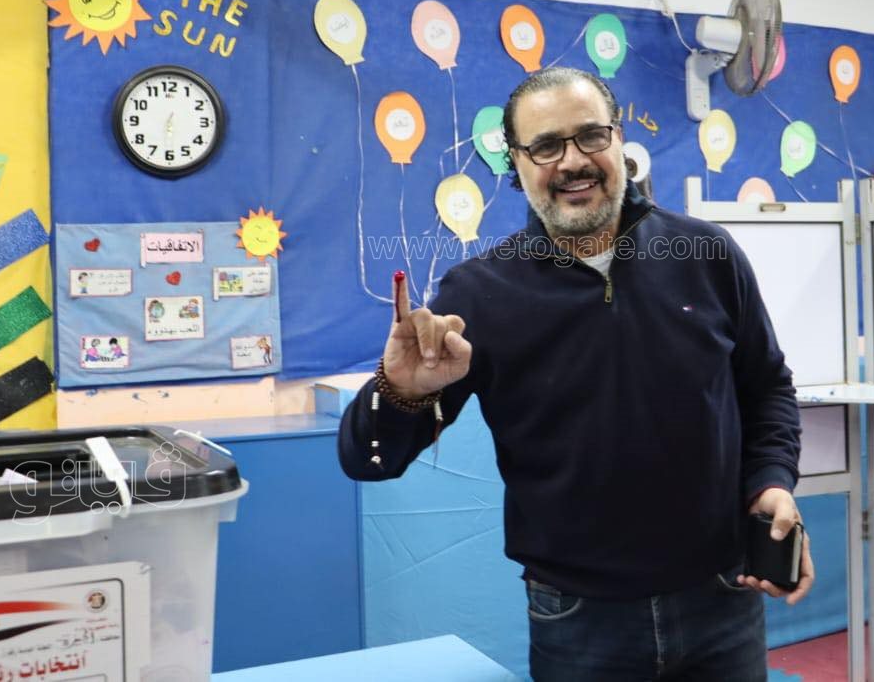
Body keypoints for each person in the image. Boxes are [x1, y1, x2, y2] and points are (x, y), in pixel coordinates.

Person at [339, 66, 811, 681]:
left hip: (724, 601)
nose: (572, 161)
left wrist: (771, 482)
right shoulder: (478, 295)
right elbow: (369, 461)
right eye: (545, 146)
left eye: (591, 135)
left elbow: (766, 387)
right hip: (579, 622)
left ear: (619, 140)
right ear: (515, 163)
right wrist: (399, 390)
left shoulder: (708, 255)